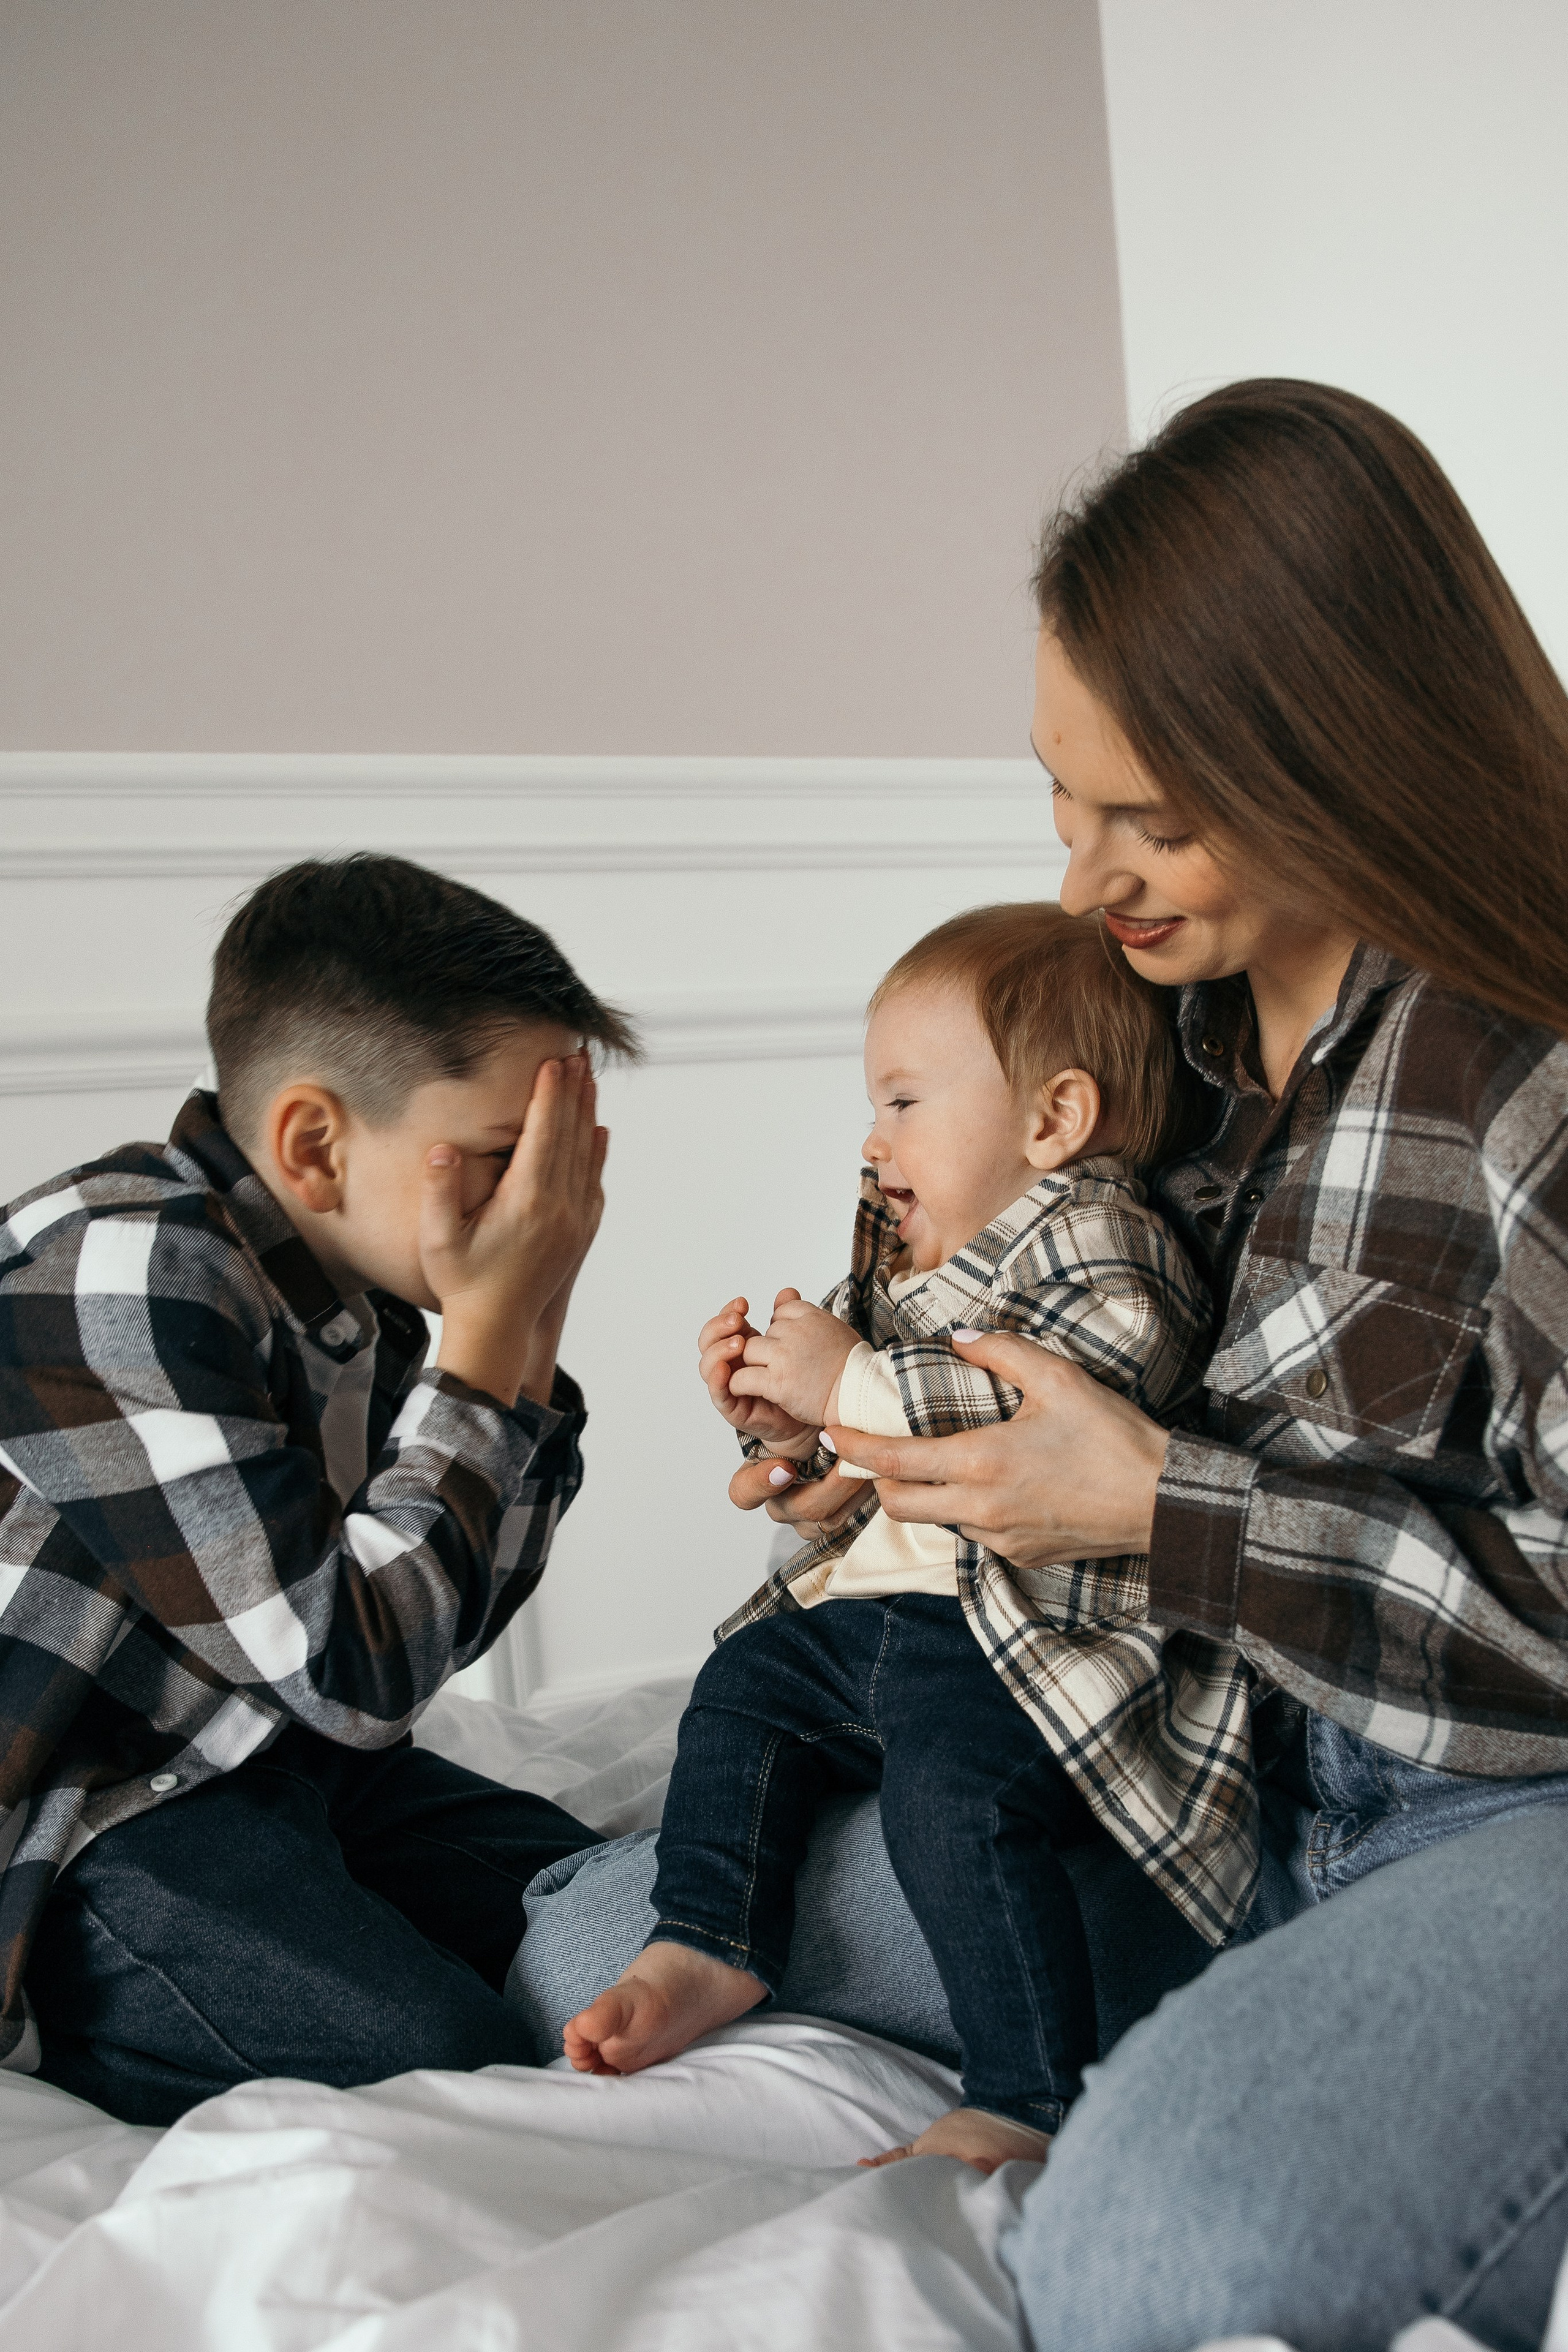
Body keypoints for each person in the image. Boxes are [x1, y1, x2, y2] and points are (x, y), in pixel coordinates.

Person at [512, 379, 1568, 2350]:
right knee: (588, 1944)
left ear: (1350, 753)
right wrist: (877, 1477)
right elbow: (1024, 1393)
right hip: (1182, 1775)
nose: (1086, 879)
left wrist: (1166, 1512)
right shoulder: (1147, 1046)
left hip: (1488, 1809)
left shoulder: (1527, 1079)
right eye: (1064, 801)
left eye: (1154, 820)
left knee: (1154, 2265)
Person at [561, 902, 1234, 2172]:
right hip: (877, 1619)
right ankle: (709, 1936)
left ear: (1053, 1120)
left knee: (952, 1798)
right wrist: (789, 1427)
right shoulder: (914, 1260)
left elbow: (1073, 1401)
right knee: (743, 1689)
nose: (874, 1141)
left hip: (1011, 1633)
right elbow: (863, 1445)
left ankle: (1026, 2094)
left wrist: (853, 1382)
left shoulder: (1106, 1240)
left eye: (905, 1103)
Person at [0, 852, 633, 2125]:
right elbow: (355, 1673)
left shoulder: (365, 1300)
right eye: (508, 1159)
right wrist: (486, 1339)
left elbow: (435, 1627)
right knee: (445, 2055)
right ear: (314, 1143)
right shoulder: (121, 1270)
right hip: (88, 1818)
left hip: (275, 1754)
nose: (544, 1211)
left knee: (633, 1926)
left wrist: (527, 1327)